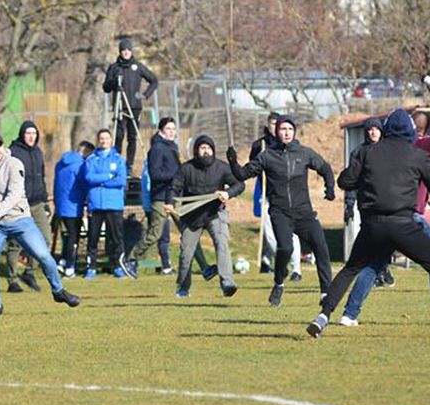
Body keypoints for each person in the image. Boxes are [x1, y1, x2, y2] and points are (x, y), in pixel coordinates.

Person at [307, 109, 430, 340]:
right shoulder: (417, 155)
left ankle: (323, 316)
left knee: (351, 268)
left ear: (387, 130)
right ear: (410, 131)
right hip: (404, 224)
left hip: (372, 225)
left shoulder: (368, 153)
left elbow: (345, 181)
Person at [0, 130, 80, 315]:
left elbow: (14, 195)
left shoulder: (14, 164)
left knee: (44, 255)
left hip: (19, 220)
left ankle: (58, 291)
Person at [227, 115, 335, 307]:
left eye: (290, 129)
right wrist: (233, 161)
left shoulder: (304, 153)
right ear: (277, 132)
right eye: (283, 129)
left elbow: (325, 168)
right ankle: (278, 283)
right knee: (285, 248)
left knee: (321, 246)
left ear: (294, 132)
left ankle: (326, 292)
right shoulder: (267, 156)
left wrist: (330, 188)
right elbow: (242, 174)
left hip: (304, 213)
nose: (286, 133)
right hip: (280, 212)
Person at [170, 135, 244, 298]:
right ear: (196, 150)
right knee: (186, 254)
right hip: (192, 217)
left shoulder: (222, 168)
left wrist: (228, 193)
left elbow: (239, 184)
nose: (206, 151)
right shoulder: (186, 168)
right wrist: (170, 203)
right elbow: (174, 188)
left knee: (222, 243)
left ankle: (227, 283)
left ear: (213, 150)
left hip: (215, 213)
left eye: (208, 148)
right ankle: (183, 288)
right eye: (202, 148)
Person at [125, 117, 180, 276]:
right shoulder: (157, 148)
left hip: (173, 196)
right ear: (161, 130)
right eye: (169, 128)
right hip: (160, 197)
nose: (172, 132)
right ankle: (130, 258)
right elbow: (155, 174)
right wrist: (176, 176)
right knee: (155, 233)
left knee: (187, 229)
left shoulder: (172, 147)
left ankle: (204, 268)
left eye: (173, 129)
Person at [343, 117, 393, 287]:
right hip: (366, 202)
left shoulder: (388, 150)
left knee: (386, 238)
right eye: (370, 129)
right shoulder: (358, 152)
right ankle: (376, 272)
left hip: (385, 201)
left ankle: (383, 267)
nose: (373, 132)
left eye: (377, 129)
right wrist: (349, 203)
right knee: (370, 237)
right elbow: (351, 180)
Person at [252, 112, 301, 279]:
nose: (276, 128)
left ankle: (297, 269)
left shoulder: (292, 145)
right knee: (271, 234)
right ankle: (282, 261)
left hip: (289, 197)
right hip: (267, 194)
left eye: (277, 124)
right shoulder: (260, 145)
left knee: (292, 232)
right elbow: (252, 168)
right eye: (272, 124)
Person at [4, 121, 50, 293]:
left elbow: (41, 178)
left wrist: (45, 202)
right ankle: (12, 279)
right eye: (28, 133)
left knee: (45, 238)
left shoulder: (38, 152)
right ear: (22, 134)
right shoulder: (13, 152)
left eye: (34, 133)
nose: (31, 136)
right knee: (15, 243)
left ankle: (29, 271)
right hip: (18, 204)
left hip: (37, 203)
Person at [79, 129, 128, 278]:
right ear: (98, 140)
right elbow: (89, 177)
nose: (104, 140)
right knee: (92, 237)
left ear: (111, 140)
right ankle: (91, 267)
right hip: (96, 204)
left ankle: (118, 266)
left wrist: (101, 182)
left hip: (114, 204)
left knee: (116, 238)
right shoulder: (92, 159)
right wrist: (108, 176)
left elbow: (121, 180)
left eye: (107, 138)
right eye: (101, 138)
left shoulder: (118, 159)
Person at [102, 37, 158, 169]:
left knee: (132, 138)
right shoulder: (114, 68)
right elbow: (106, 88)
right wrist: (114, 82)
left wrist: (145, 95)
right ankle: (116, 163)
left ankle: (130, 166)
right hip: (119, 108)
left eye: (128, 50)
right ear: (120, 52)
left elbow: (154, 80)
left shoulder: (137, 66)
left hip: (134, 107)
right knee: (118, 137)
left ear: (131, 51)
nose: (126, 52)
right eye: (123, 50)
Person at [53, 141, 93, 276]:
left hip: (61, 204)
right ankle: (70, 266)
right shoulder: (80, 165)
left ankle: (63, 261)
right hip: (73, 205)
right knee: (73, 236)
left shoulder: (60, 163)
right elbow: (84, 183)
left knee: (67, 235)